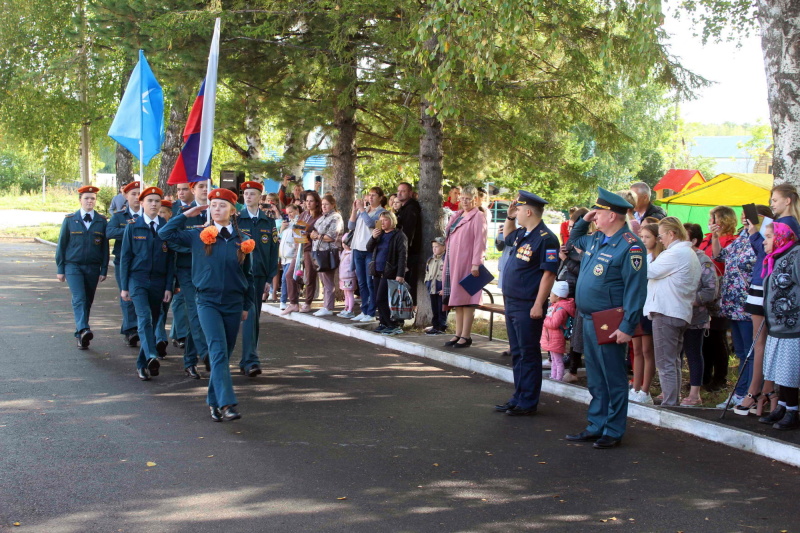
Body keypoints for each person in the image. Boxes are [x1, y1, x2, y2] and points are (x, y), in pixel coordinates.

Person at [159, 188, 256, 422]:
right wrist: (186, 214)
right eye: (213, 205)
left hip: (233, 303)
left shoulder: (243, 240)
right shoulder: (198, 235)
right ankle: (227, 403)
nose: (216, 209)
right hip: (207, 302)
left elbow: (248, 275)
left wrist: (246, 305)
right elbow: (165, 233)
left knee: (225, 353)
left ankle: (213, 401)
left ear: (233, 210)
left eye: (222, 205)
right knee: (218, 351)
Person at [565, 188, 647, 449]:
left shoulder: (630, 246)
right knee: (596, 378)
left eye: (598, 212)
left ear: (612, 215)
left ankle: (613, 429)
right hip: (588, 318)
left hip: (610, 321)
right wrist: (584, 220)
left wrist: (627, 326)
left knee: (612, 378)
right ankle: (596, 424)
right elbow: (572, 241)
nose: (595, 217)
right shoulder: (596, 239)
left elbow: (636, 291)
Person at [493, 190, 558, 416]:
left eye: (519, 209)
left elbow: (548, 274)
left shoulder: (547, 238)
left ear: (529, 211)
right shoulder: (523, 233)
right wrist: (510, 217)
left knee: (529, 353)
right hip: (513, 301)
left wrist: (539, 304)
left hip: (527, 303)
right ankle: (519, 396)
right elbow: (507, 237)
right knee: (518, 352)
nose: (517, 212)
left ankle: (528, 401)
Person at [736, 185, 800, 413]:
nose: (772, 203)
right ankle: (769, 396)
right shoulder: (784, 223)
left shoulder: (789, 225)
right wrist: (755, 233)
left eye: (775, 199)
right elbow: (763, 251)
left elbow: (767, 254)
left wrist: (755, 233)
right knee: (762, 343)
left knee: (761, 343)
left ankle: (760, 393)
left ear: (789, 201)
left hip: (766, 284)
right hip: (762, 282)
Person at [643, 217, 701, 407]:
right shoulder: (688, 252)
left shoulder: (675, 253)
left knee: (666, 362)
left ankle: (669, 403)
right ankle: (672, 401)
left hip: (666, 312)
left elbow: (648, 271)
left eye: (661, 236)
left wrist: (640, 258)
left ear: (671, 234)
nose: (660, 240)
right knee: (673, 361)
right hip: (678, 311)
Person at [119, 187, 174, 381]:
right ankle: (152, 355)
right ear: (142, 203)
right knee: (144, 318)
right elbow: (125, 258)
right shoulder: (133, 226)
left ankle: (143, 364)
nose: (153, 204)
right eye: (149, 200)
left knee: (153, 320)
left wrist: (169, 286)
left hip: (159, 282)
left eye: (157, 201)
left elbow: (170, 262)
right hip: (138, 279)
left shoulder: (166, 228)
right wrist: (124, 287)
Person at [758, 222, 800, 430]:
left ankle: (793, 410)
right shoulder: (776, 258)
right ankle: (782, 406)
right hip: (778, 326)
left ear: (781, 237)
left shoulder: (796, 255)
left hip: (793, 326)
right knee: (781, 371)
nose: (764, 241)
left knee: (790, 370)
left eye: (768, 237)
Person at [55, 185, 109, 349]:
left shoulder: (101, 221)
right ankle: (84, 328)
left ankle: (81, 335)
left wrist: (104, 269)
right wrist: (60, 268)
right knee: (79, 298)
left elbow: (105, 248)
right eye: (86, 198)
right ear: (80, 200)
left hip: (93, 267)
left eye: (92, 198)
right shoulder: (70, 219)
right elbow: (61, 245)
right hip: (73, 266)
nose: (90, 201)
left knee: (88, 301)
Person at [170, 179, 211, 379]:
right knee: (195, 312)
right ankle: (205, 354)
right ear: (193, 190)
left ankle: (190, 361)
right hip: (188, 270)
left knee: (203, 314)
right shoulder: (185, 214)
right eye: (201, 186)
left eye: (207, 186)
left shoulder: (216, 211)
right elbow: (171, 239)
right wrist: (194, 248)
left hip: (209, 271)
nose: (205, 190)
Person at [238, 181, 279, 377]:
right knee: (247, 317)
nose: (248, 197)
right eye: (245, 193)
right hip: (240, 276)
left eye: (252, 194)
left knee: (253, 319)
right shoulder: (237, 219)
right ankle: (249, 360)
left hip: (260, 275)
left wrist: (270, 277)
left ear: (259, 197)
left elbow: (273, 250)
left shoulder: (267, 221)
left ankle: (248, 359)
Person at [442, 186, 488, 349]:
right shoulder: (458, 215)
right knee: (458, 300)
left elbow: (479, 242)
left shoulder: (478, 216)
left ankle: (466, 336)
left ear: (475, 199)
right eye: (463, 198)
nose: (465, 201)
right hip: (454, 262)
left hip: (468, 263)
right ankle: (458, 333)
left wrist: (476, 263)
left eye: (469, 198)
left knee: (467, 300)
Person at [680, 223, 719, 406]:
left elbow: (710, 291)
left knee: (693, 352)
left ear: (694, 240)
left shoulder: (703, 261)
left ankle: (695, 394)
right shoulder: (676, 257)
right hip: (676, 314)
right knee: (675, 354)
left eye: (684, 237)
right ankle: (671, 390)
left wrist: (687, 300)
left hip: (695, 316)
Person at [704, 206, 740, 399]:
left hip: (721, 292)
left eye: (714, 218)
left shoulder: (733, 241)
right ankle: (705, 375)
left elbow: (721, 260)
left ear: (724, 220)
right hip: (705, 291)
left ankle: (720, 377)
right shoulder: (706, 238)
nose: (710, 222)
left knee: (717, 336)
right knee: (706, 336)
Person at [629, 223, 663, 404]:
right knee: (637, 350)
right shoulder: (639, 256)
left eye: (647, 237)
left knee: (647, 350)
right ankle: (635, 387)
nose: (643, 241)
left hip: (650, 308)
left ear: (658, 238)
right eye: (641, 237)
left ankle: (645, 390)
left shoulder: (660, 258)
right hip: (637, 307)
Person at [106, 181, 143, 347]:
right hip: (123, 261)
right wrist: (131, 232)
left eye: (139, 193)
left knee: (140, 296)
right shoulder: (120, 216)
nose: (137, 197)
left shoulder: (147, 214)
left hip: (143, 262)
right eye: (133, 194)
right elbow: (109, 231)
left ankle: (134, 327)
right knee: (126, 294)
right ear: (126, 196)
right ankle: (131, 330)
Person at [347, 187, 386, 322]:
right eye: (369, 195)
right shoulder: (364, 211)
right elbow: (351, 226)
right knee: (362, 282)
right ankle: (364, 310)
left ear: (380, 198)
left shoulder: (382, 212)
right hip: (357, 248)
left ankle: (371, 312)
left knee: (370, 282)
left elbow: (371, 224)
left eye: (374, 195)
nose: (370, 198)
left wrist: (362, 210)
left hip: (370, 250)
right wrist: (354, 210)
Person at [366, 211, 408, 335]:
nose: (382, 223)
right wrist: (373, 237)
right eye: (380, 220)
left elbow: (402, 256)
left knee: (381, 299)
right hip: (377, 271)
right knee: (378, 298)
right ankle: (383, 322)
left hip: (390, 271)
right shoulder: (380, 234)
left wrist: (400, 274)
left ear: (392, 221)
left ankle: (393, 324)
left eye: (385, 220)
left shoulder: (399, 235)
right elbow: (369, 248)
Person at [560, 208, 589, 383]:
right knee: (558, 327)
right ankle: (559, 360)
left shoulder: (587, 244)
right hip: (566, 291)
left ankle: (573, 367)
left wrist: (566, 260)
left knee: (578, 333)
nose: (570, 232)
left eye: (574, 227)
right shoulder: (572, 244)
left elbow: (584, 271)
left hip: (578, 292)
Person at [282, 191, 322, 314]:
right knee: (289, 274)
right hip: (299, 248)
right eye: (307, 201)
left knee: (309, 276)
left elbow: (316, 233)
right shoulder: (304, 214)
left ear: (316, 203)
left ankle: (307, 302)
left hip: (310, 249)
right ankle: (293, 303)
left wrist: (308, 234)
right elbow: (298, 230)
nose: (308, 203)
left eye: (311, 201)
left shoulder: (319, 217)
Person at [310, 194, 343, 316]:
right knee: (323, 280)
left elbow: (331, 237)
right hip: (318, 251)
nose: (324, 206)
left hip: (328, 252)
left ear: (333, 205)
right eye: (322, 204)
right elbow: (313, 231)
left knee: (328, 281)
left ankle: (328, 307)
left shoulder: (335, 217)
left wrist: (317, 236)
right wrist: (313, 235)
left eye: (326, 204)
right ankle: (326, 305)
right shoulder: (322, 217)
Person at [541, 281, 575, 382]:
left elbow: (554, 323)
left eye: (551, 293)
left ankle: (558, 378)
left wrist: (544, 320)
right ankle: (553, 376)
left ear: (557, 296)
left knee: (558, 360)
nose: (549, 295)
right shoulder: (554, 306)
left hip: (556, 338)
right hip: (551, 337)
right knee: (554, 359)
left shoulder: (560, 309)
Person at [396, 182, 423, 305]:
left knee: (408, 282)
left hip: (409, 252)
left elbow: (408, 233)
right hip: (405, 251)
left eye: (403, 191)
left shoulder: (411, 209)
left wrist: (404, 252)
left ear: (410, 193)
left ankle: (408, 309)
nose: (400, 193)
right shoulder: (404, 208)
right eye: (399, 191)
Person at [154, 200, 175, 356]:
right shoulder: (153, 228)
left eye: (163, 212)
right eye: (158, 212)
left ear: (170, 214)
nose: (160, 215)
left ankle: (157, 338)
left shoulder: (173, 231)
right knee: (158, 310)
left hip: (170, 277)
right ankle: (159, 339)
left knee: (163, 309)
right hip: (155, 278)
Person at [278, 203, 301, 311]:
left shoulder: (298, 223)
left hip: (292, 256)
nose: (289, 215)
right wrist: (282, 229)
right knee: (286, 278)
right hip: (284, 257)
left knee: (285, 278)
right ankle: (287, 300)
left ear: (297, 210)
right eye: (288, 213)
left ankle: (284, 301)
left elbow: (299, 240)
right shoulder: (288, 224)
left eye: (291, 212)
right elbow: (280, 238)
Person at [424, 237, 448, 335]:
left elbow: (449, 275)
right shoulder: (431, 259)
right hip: (432, 288)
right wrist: (427, 283)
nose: (434, 249)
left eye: (437, 246)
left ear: (444, 247)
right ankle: (435, 326)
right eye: (433, 247)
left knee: (441, 309)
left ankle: (441, 327)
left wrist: (445, 289)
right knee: (434, 309)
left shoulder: (446, 259)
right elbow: (427, 272)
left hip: (441, 289)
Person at [338, 232, 357, 318]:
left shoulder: (352, 253)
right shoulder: (344, 252)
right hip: (343, 277)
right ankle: (346, 308)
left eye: (347, 243)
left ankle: (350, 310)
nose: (345, 245)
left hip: (349, 277)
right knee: (346, 293)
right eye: (343, 243)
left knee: (349, 293)